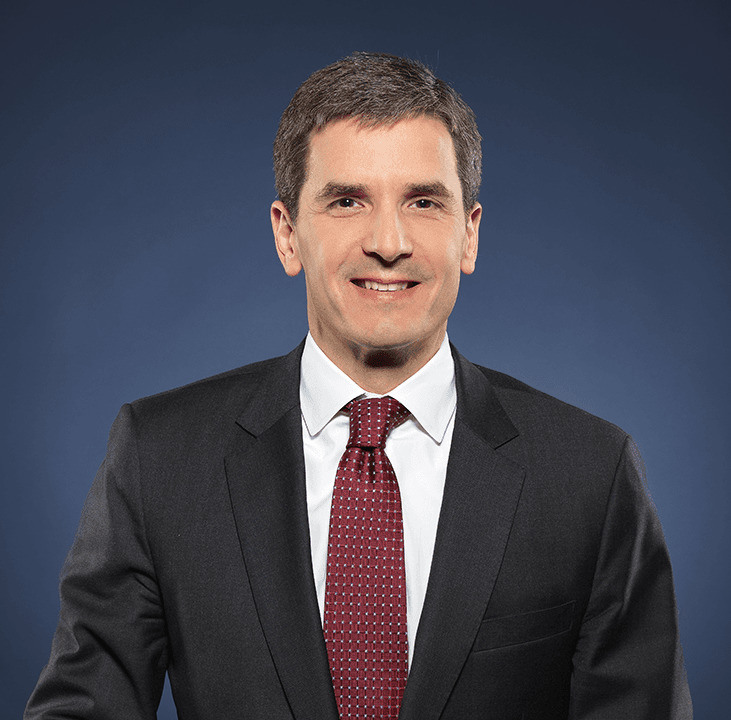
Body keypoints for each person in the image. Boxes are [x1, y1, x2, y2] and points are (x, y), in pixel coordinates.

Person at [25, 52, 692, 719]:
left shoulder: (590, 474)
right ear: (288, 236)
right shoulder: (159, 457)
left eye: (423, 202)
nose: (389, 242)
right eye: (347, 201)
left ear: (469, 235)